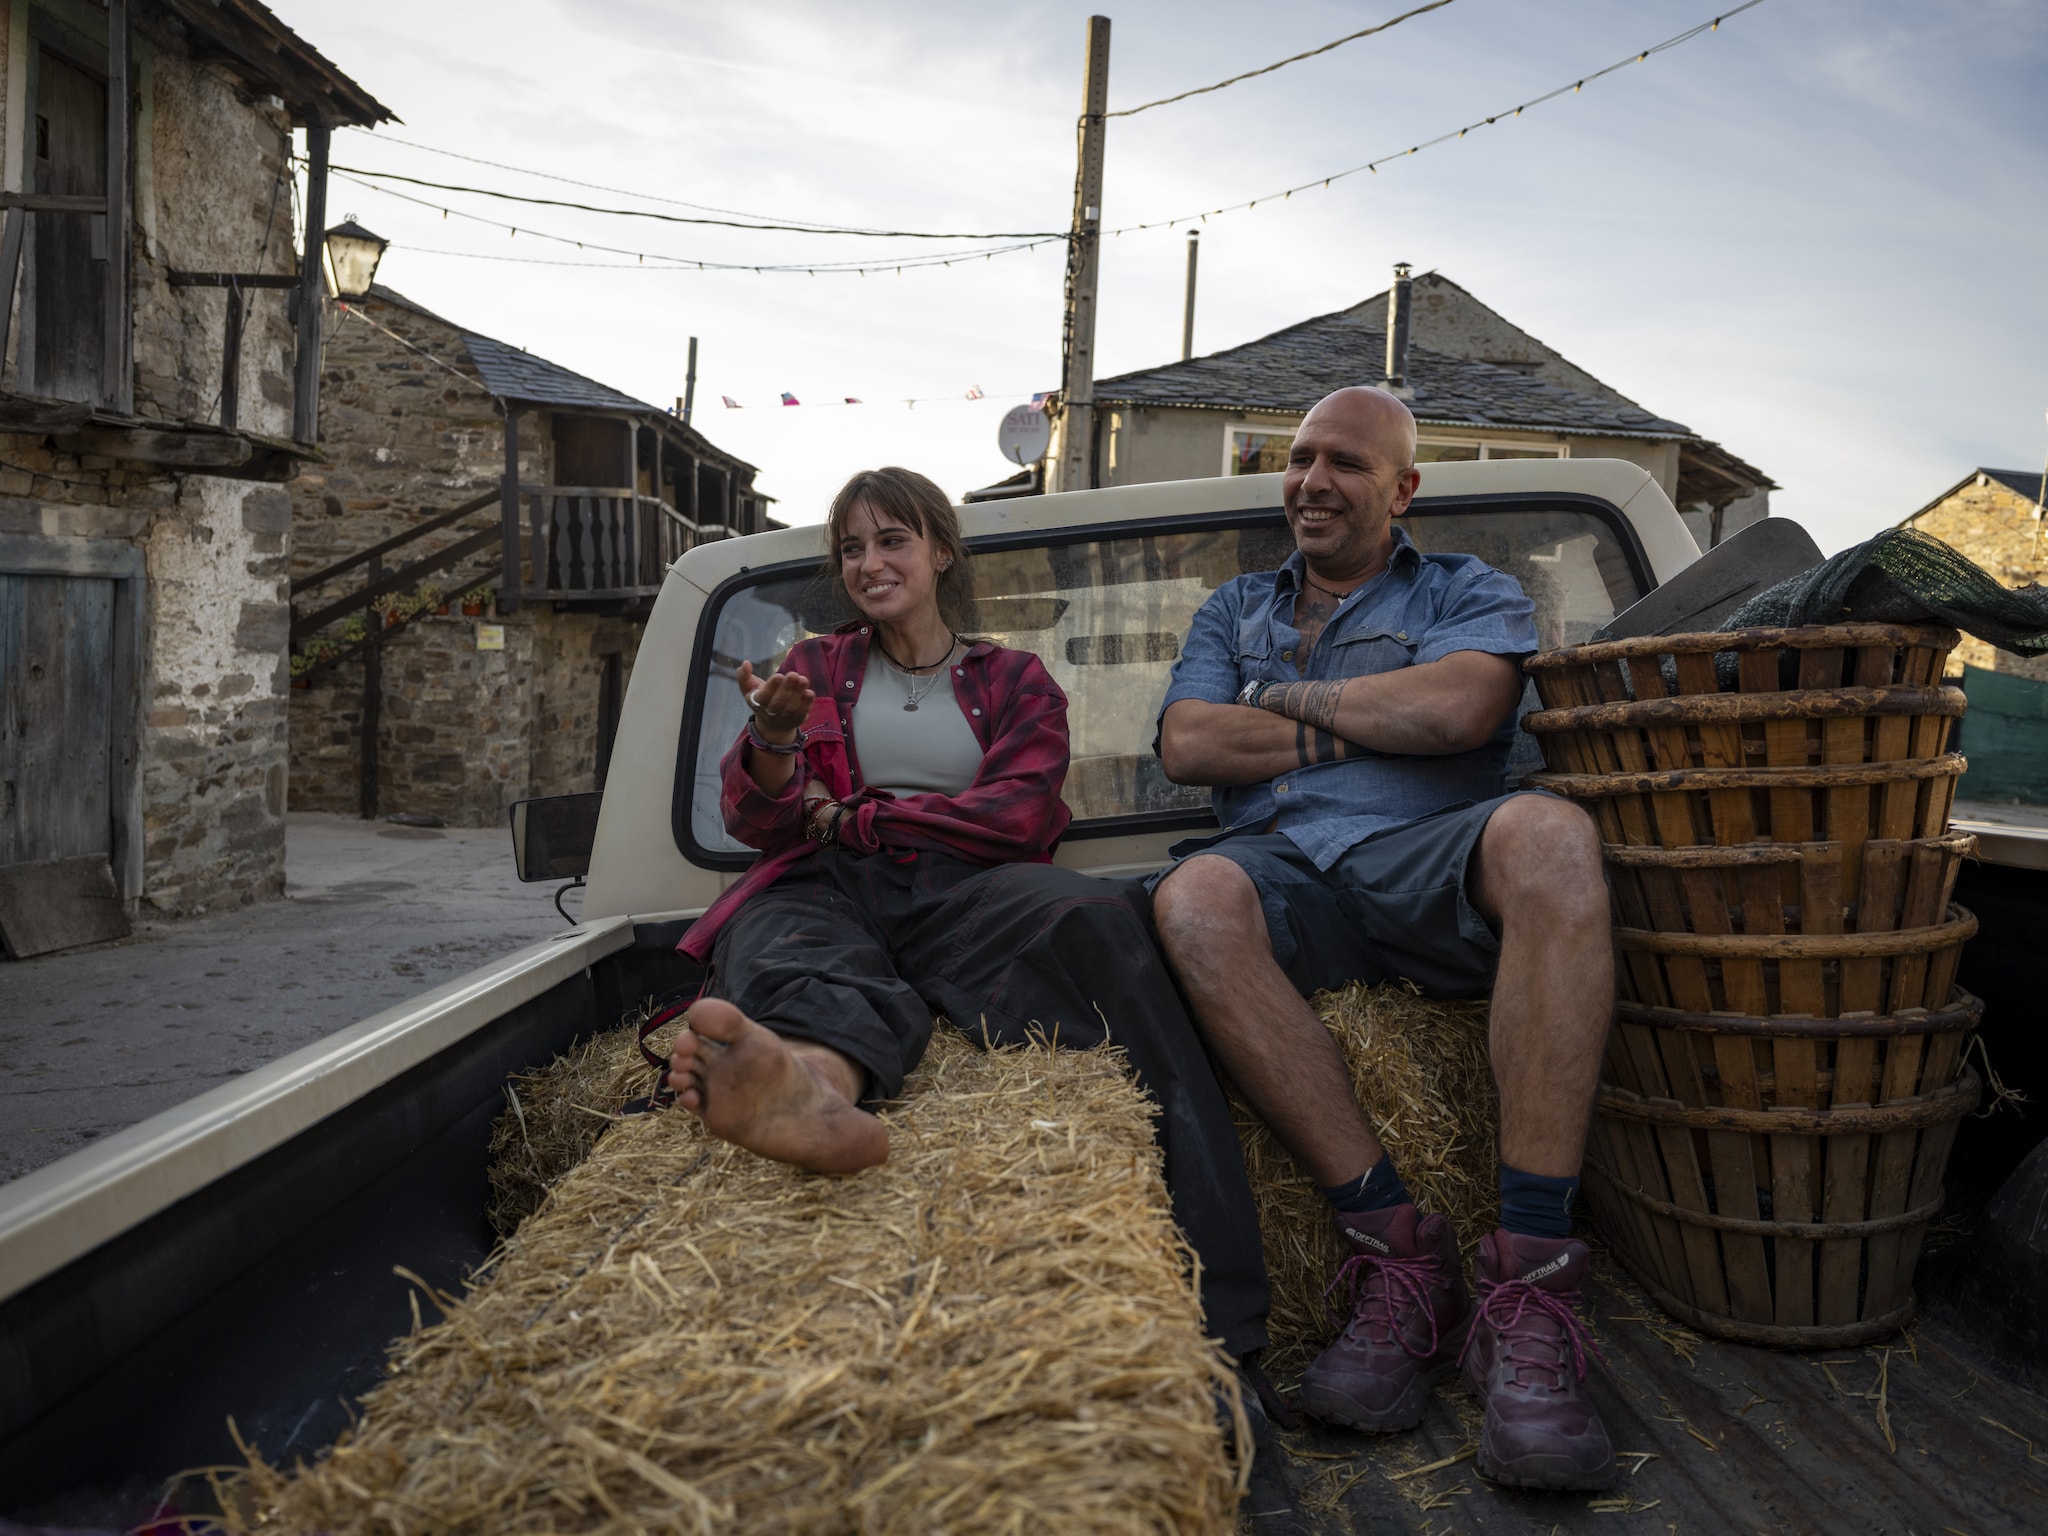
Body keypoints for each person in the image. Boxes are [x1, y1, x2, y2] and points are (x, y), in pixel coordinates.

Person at [667, 465, 1277, 1395]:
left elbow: (1017, 817)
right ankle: (814, 1093)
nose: (870, 563)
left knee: (1097, 921)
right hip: (832, 881)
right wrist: (776, 746)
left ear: (941, 550)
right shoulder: (814, 670)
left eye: (892, 540)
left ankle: (1221, 1311)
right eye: (852, 548)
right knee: (780, 935)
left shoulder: (1014, 678)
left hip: (965, 890)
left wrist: (858, 816)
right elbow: (766, 826)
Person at [1147, 387, 1618, 1492]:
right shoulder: (1230, 609)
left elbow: (1455, 714)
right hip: (1283, 870)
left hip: (1424, 854)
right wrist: (1361, 720)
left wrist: (1282, 708)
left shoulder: (1467, 589)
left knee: (1550, 838)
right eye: (1300, 457)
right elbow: (1186, 742)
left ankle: (1529, 1282)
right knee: (1190, 901)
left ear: (1401, 489)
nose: (1313, 479)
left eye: (1346, 464)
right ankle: (1395, 1251)